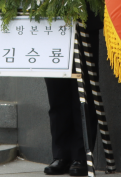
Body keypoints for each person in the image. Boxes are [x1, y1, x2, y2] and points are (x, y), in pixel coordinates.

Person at [43, 10, 101, 176]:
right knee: (56, 93)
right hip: (50, 21)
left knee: (82, 95)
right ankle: (61, 155)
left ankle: (81, 156)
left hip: (82, 15)